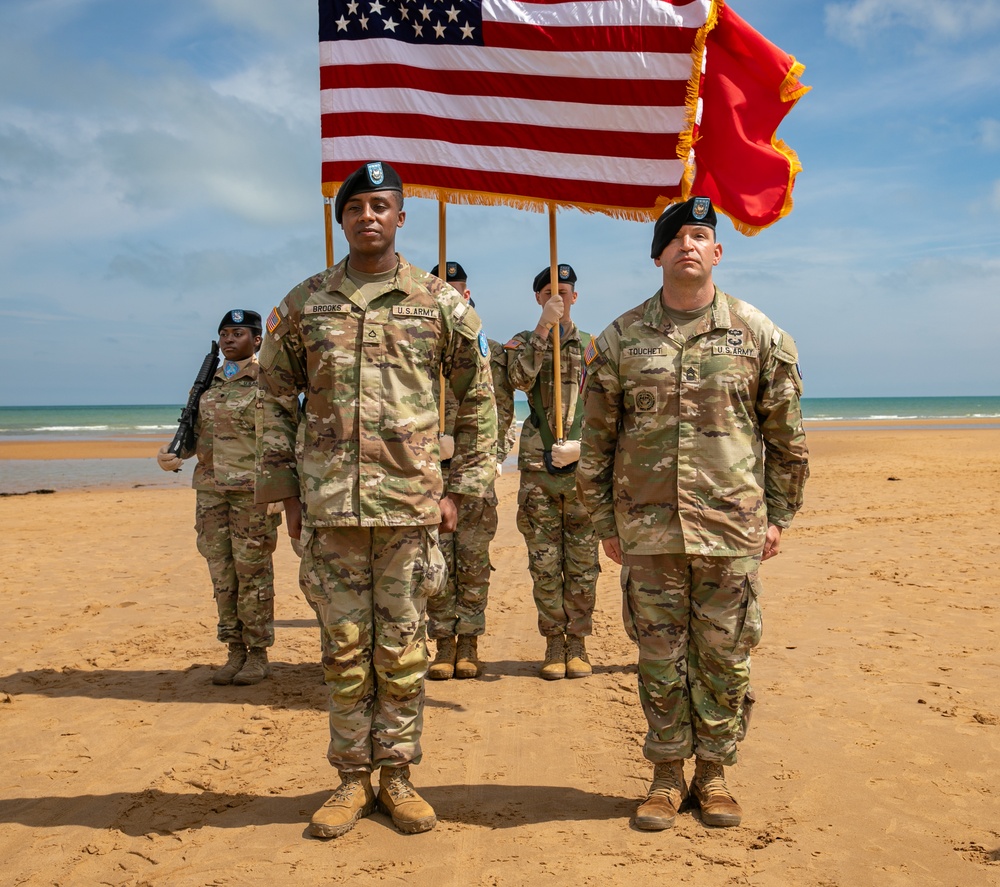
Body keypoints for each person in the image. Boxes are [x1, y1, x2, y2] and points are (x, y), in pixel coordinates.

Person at [255, 161, 497, 839]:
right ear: (342, 221)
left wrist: (462, 486)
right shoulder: (307, 304)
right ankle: (350, 778)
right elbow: (273, 397)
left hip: (409, 508)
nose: (368, 215)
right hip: (331, 508)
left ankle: (396, 775)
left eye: (381, 205)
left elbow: (479, 396)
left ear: (400, 217)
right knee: (342, 646)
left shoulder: (438, 302)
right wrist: (285, 491)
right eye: (355, 206)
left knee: (404, 644)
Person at [577, 197, 810, 830]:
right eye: (676, 236)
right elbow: (595, 441)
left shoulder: (757, 334)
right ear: (658, 255)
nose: (689, 244)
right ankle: (662, 774)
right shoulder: (621, 339)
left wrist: (779, 514)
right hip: (649, 528)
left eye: (701, 235)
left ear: (717, 252)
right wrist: (605, 522)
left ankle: (713, 773)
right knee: (658, 654)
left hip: (731, 527)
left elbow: (786, 435)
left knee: (725, 655)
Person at [157, 310, 280, 686]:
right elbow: (195, 433)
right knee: (222, 575)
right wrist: (174, 454)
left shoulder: (269, 381)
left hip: (252, 494)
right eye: (224, 333)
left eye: (238, 333)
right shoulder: (206, 383)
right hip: (211, 491)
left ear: (257, 340)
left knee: (252, 574)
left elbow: (286, 435)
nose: (229, 339)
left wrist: (282, 488)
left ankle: (257, 654)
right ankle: (234, 651)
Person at [506, 263, 600, 680]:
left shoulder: (596, 346)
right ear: (538, 299)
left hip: (580, 467)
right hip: (536, 466)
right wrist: (543, 332)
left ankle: (577, 642)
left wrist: (587, 445)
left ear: (575, 297)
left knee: (581, 562)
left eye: (563, 292)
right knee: (544, 562)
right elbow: (518, 380)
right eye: (548, 293)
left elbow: (605, 402)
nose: (556, 298)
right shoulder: (524, 342)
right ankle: (553, 642)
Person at [426, 261, 516, 680]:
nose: (454, 294)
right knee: (437, 562)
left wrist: (495, 455)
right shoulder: (419, 345)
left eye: (459, 288)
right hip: (431, 474)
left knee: (474, 562)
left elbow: (501, 406)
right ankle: (443, 643)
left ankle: (470, 644)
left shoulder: (490, 350)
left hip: (474, 475)